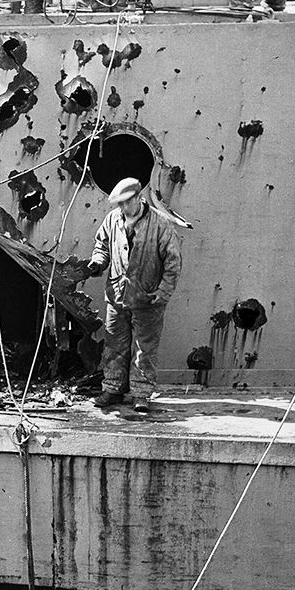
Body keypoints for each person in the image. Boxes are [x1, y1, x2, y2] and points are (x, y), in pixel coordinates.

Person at [86, 177, 181, 413]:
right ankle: (113, 388)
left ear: (139, 198)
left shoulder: (160, 225)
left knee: (144, 348)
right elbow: (102, 246)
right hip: (117, 296)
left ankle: (140, 394)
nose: (121, 208)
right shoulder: (112, 220)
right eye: (119, 204)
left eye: (126, 203)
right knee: (114, 344)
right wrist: (98, 263)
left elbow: (173, 263)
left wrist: (163, 292)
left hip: (147, 299)